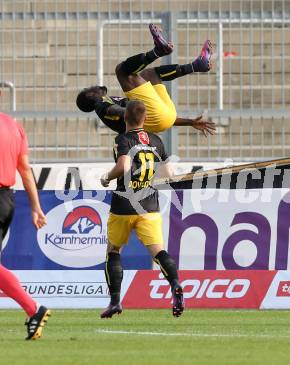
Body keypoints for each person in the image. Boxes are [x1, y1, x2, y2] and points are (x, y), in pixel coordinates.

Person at [99, 99, 184, 318]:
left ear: (124, 118)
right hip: (149, 206)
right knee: (158, 252)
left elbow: (124, 166)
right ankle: (175, 284)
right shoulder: (156, 140)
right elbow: (169, 174)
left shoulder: (123, 139)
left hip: (124, 205)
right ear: (145, 119)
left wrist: (106, 177)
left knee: (114, 251)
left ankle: (115, 301)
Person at [76, 23, 216, 136]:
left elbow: (162, 119)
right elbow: (111, 110)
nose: (93, 86)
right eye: (89, 88)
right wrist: (127, 113)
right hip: (154, 119)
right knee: (121, 71)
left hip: (166, 117)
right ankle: (158, 51)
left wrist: (190, 122)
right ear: (90, 94)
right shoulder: (100, 104)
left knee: (149, 74)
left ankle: (196, 65)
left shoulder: (108, 101)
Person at [0, 111, 51, 340]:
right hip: (6, 199)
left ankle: (34, 309)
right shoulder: (13, 126)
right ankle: (34, 310)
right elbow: (25, 169)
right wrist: (35, 206)